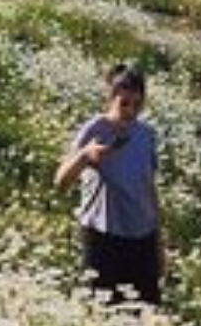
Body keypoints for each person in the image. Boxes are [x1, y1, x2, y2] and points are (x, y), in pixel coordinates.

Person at [55, 63, 167, 306]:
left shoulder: (146, 134)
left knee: (148, 313)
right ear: (111, 98)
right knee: (105, 309)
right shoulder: (94, 129)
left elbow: (149, 189)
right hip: (104, 238)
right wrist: (85, 156)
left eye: (137, 105)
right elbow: (61, 182)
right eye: (124, 103)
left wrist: (159, 244)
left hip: (142, 237)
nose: (131, 111)